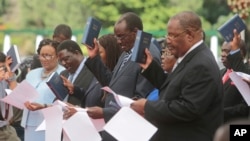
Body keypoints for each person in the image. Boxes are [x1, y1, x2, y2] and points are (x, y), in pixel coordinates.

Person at [130, 11, 223, 141]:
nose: (167, 40)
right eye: (167, 35)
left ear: (189, 35)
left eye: (172, 35)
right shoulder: (191, 57)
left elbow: (188, 109)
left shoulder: (201, 64)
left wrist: (147, 107)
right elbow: (173, 88)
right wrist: (151, 68)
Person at [85, 12, 161, 141]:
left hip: (129, 132)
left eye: (121, 37)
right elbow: (112, 84)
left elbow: (140, 101)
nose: (119, 42)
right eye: (116, 37)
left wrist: (104, 112)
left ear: (135, 32)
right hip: (114, 128)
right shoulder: (126, 53)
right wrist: (94, 58)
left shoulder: (147, 54)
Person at [21, 39, 65, 141]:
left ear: (57, 56)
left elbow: (65, 102)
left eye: (48, 55)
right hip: (29, 122)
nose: (44, 59)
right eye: (42, 55)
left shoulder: (63, 73)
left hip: (50, 123)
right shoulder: (32, 73)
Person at [220, 30, 249, 123]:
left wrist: (220, 112)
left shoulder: (246, 74)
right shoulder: (219, 73)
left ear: (239, 54)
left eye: (227, 51)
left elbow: (245, 107)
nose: (222, 54)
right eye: (222, 51)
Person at [57, 40, 95, 106]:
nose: (63, 63)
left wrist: (74, 89)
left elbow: (94, 98)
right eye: (61, 61)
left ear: (77, 53)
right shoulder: (63, 74)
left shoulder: (93, 71)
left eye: (66, 59)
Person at [0, 52, 20, 141]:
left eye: (3, 68)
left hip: (6, 127)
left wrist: (11, 75)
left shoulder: (5, 78)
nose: (2, 71)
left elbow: (17, 97)